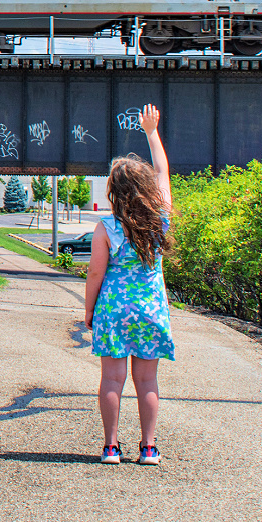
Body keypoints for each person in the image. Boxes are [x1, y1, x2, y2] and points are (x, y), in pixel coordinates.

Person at [83, 103, 174, 466]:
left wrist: (89, 310)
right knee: (147, 383)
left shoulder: (106, 228)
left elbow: (95, 275)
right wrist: (152, 133)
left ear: (114, 192)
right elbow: (164, 172)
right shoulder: (160, 220)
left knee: (112, 381)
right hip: (152, 309)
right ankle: (149, 448)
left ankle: (110, 448)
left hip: (114, 311)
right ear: (146, 188)